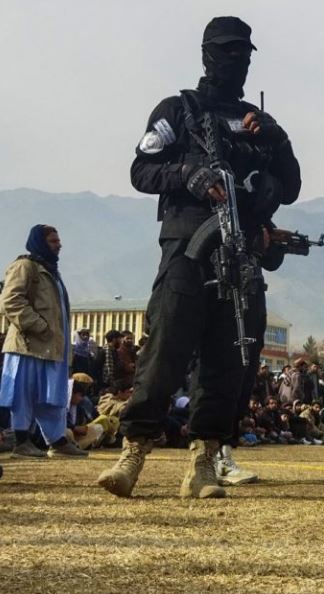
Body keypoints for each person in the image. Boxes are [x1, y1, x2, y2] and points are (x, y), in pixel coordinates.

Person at [97, 16, 301, 499]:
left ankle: (204, 461)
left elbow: (290, 187)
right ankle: (133, 454)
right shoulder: (178, 110)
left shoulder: (257, 123)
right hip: (188, 249)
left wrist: (277, 140)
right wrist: (187, 173)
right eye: (229, 52)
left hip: (241, 254)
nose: (238, 61)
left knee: (230, 360)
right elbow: (141, 169)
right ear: (208, 55)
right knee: (165, 348)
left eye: (245, 54)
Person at [0, 225, 88, 458]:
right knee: (23, 395)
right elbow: (10, 301)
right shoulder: (25, 266)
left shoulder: (51, 272)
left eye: (58, 240)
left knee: (51, 396)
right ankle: (21, 442)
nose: (59, 245)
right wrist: (39, 326)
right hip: (27, 347)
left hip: (51, 348)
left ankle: (57, 442)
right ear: (39, 242)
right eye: (53, 241)